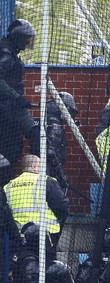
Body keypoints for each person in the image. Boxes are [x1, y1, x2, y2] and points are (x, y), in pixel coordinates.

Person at [5, 154, 69, 258]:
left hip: (19, 238)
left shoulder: (8, 186)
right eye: (40, 166)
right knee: (46, 268)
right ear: (33, 167)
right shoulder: (46, 181)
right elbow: (62, 206)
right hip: (46, 236)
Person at [0, 19, 38, 186]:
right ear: (18, 38)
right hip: (7, 108)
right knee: (18, 144)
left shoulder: (9, 51)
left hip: (12, 106)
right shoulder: (6, 54)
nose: (28, 42)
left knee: (27, 139)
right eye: (26, 38)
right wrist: (17, 97)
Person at [29, 91, 78, 190]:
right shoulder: (54, 125)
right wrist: (61, 176)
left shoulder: (40, 122)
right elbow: (51, 153)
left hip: (34, 169)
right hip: (48, 173)